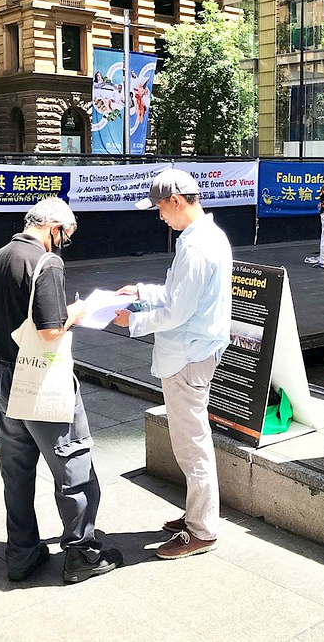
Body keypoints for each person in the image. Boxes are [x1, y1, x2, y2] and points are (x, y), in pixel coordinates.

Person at [0, 197, 123, 584]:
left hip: (3, 376)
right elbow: (50, 330)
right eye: (66, 236)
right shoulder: (46, 262)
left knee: (16, 470)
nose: (64, 244)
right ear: (55, 228)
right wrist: (76, 312)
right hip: (42, 379)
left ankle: (21, 554)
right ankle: (82, 553)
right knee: (72, 463)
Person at [113, 169, 233, 559]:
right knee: (191, 441)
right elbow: (178, 294)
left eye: (160, 209)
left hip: (187, 354)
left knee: (191, 444)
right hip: (196, 350)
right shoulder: (206, 237)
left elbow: (178, 310)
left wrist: (132, 321)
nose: (160, 216)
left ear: (176, 201)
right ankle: (198, 515)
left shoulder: (196, 246)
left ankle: (202, 530)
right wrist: (143, 292)